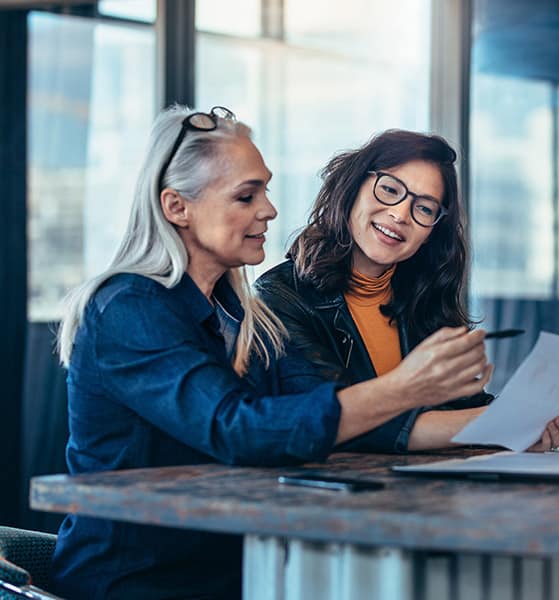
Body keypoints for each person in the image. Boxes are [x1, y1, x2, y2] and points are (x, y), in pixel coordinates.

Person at [50, 106, 507, 599]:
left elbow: (327, 412)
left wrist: (511, 424)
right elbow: (238, 429)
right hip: (141, 582)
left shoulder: (246, 316)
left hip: (240, 571)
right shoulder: (127, 308)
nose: (268, 209)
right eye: (247, 196)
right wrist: (406, 387)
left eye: (265, 190)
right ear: (177, 207)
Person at [255, 129, 559, 453]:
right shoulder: (280, 296)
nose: (401, 214)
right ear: (351, 188)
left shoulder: (423, 296)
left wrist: (551, 418)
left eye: (424, 208)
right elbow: (338, 421)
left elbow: (462, 407)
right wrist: (505, 425)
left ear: (432, 231)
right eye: (390, 190)